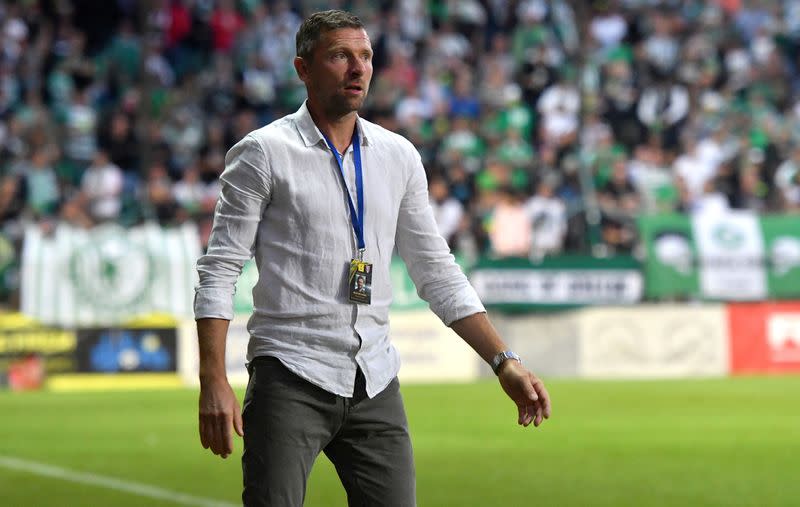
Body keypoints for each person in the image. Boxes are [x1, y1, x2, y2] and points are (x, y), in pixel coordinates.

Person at [194, 10, 551, 507]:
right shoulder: (262, 153)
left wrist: (502, 360)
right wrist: (213, 378)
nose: (358, 68)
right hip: (290, 374)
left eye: (365, 56)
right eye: (340, 56)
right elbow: (220, 267)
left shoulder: (398, 155)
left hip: (375, 378)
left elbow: (436, 269)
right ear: (303, 69)